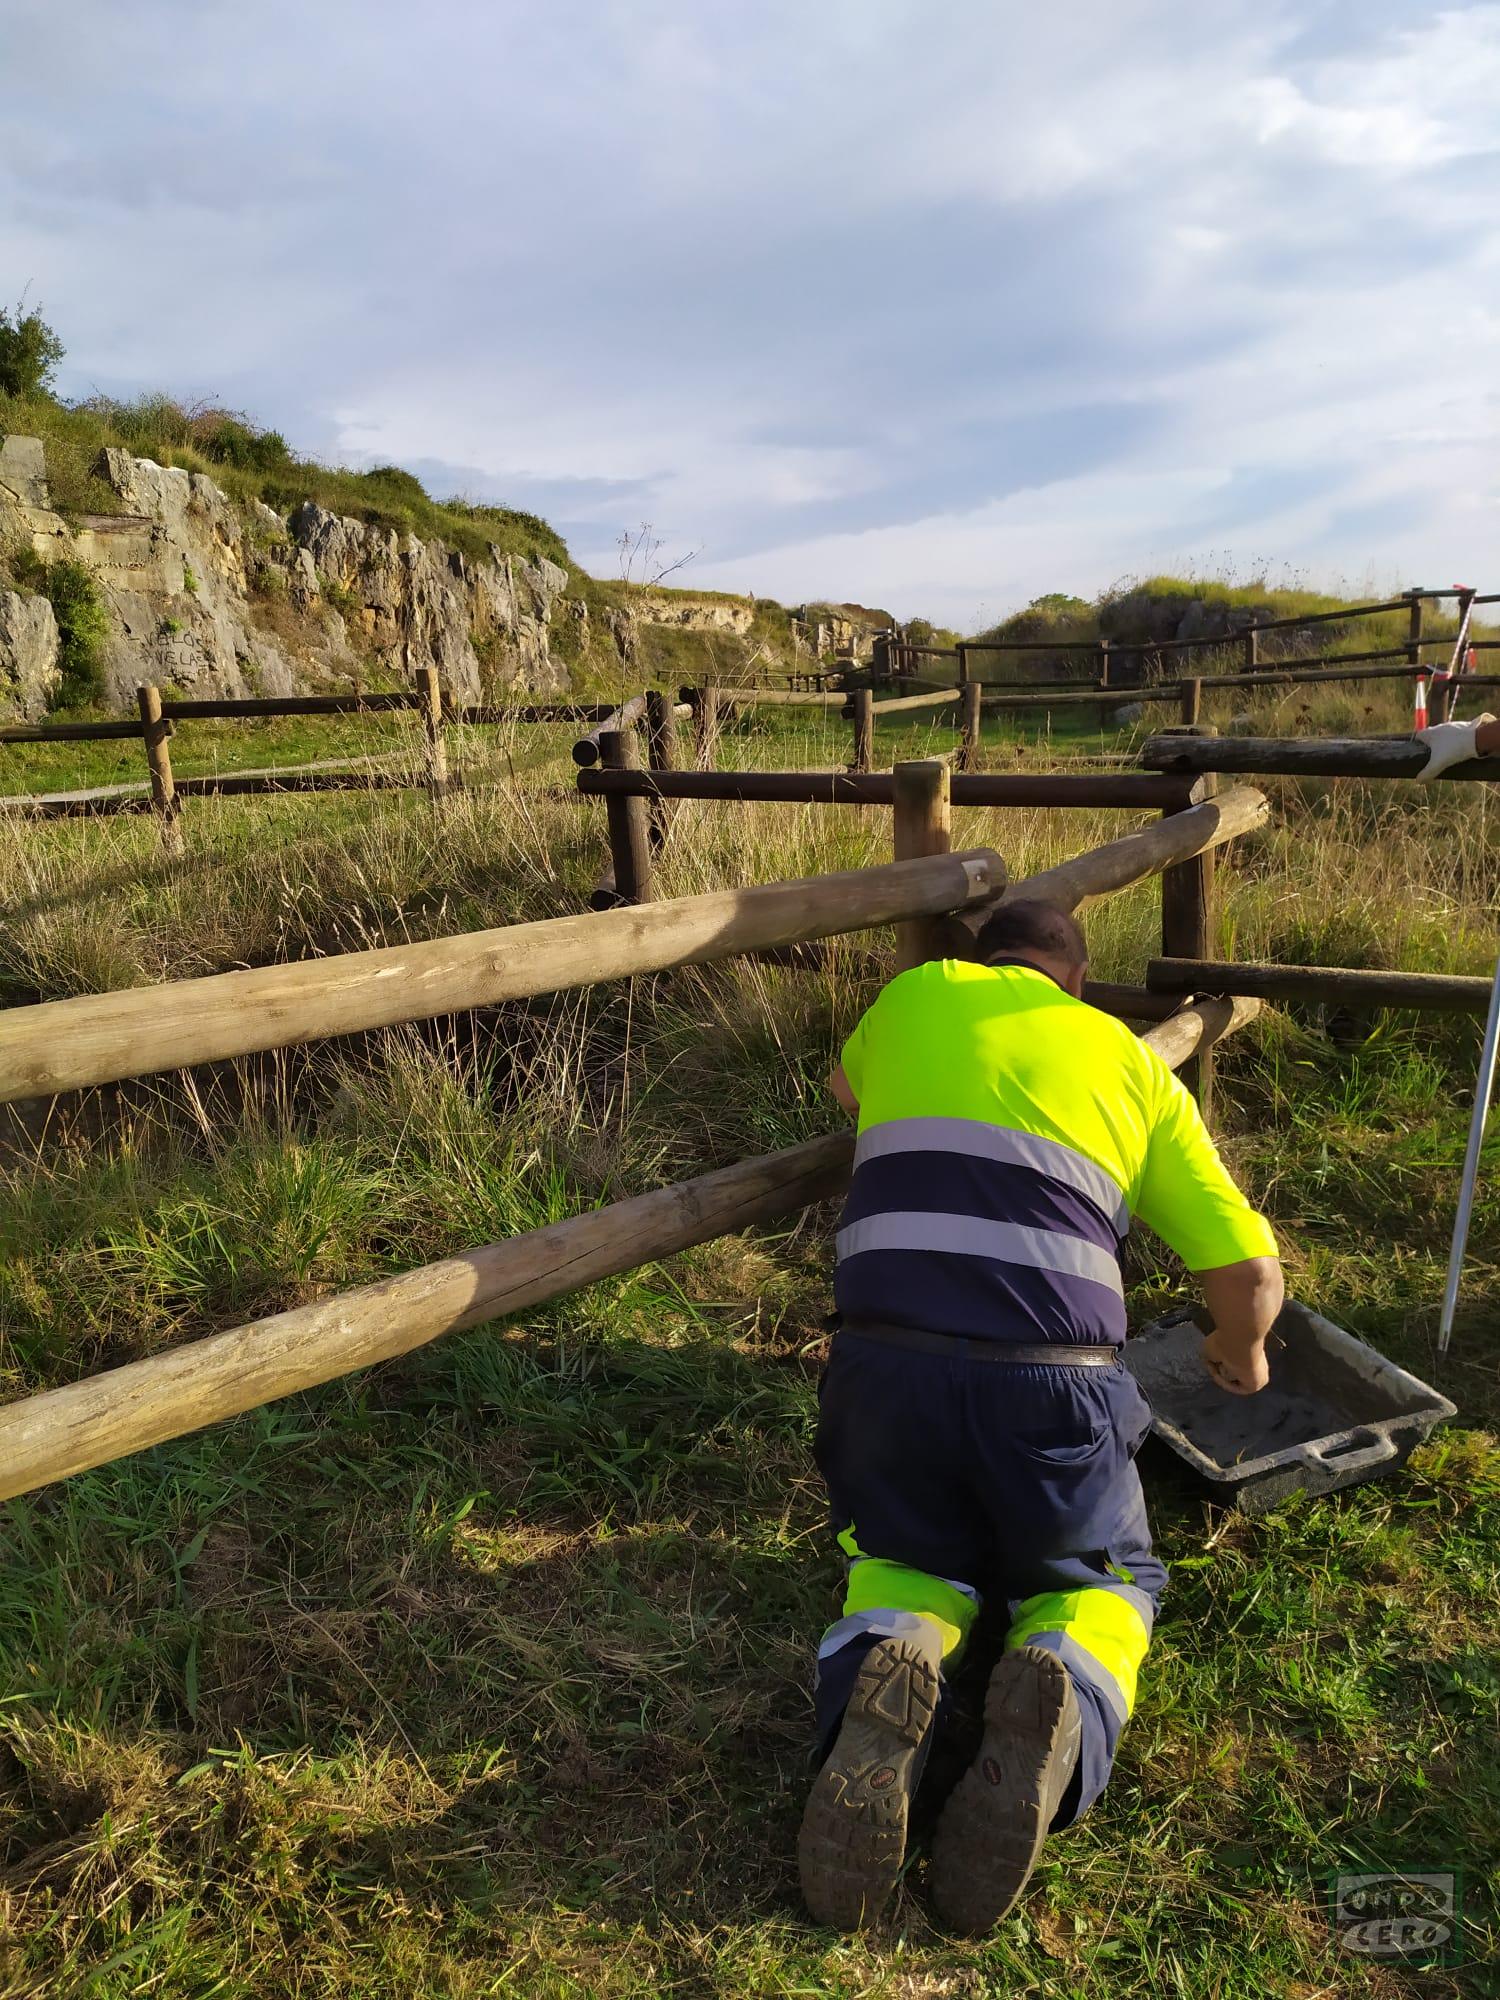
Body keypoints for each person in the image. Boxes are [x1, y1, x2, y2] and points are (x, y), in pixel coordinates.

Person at [797, 899, 1283, 1934]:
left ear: (981, 962)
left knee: (901, 1554)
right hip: (1054, 1381)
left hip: (883, 1364)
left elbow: (846, 1093)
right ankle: (1062, 1690)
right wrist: (1238, 1350)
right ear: (1074, 978)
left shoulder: (912, 996)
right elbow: (1247, 1267)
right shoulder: (1127, 1060)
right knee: (1099, 1577)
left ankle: (899, 1663)